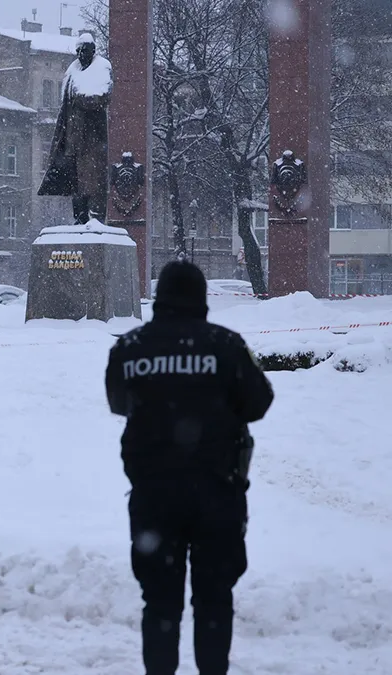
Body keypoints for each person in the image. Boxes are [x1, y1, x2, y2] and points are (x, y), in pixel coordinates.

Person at [105, 260, 274, 675]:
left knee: (159, 602)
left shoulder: (129, 348)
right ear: (202, 299)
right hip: (217, 492)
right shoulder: (227, 346)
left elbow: (117, 402)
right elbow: (260, 402)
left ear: (160, 296)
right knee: (214, 599)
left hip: (153, 497)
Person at [38, 32, 113, 224]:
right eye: (79, 50)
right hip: (71, 137)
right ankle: (79, 218)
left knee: (93, 181)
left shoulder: (102, 68)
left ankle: (94, 218)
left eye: (85, 50)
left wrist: (80, 95)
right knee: (75, 183)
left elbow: (100, 98)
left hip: (92, 140)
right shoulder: (72, 71)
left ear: (93, 51)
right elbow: (65, 105)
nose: (81, 54)